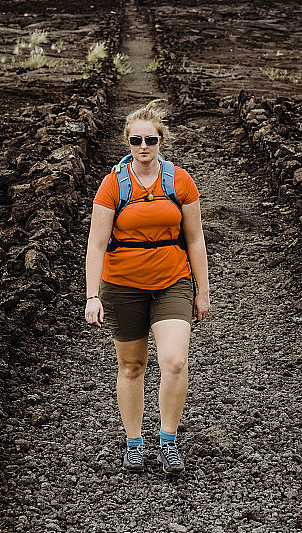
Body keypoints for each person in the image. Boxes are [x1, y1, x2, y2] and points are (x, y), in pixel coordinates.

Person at [84, 99, 210, 474]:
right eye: (136, 140)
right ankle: (134, 443)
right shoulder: (112, 186)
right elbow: (95, 243)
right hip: (123, 285)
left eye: (150, 140)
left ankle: (168, 441)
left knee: (174, 360)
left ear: (161, 141)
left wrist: (202, 291)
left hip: (172, 281)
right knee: (133, 366)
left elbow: (196, 239)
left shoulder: (180, 181)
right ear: (127, 142)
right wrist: (93, 296)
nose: (143, 146)